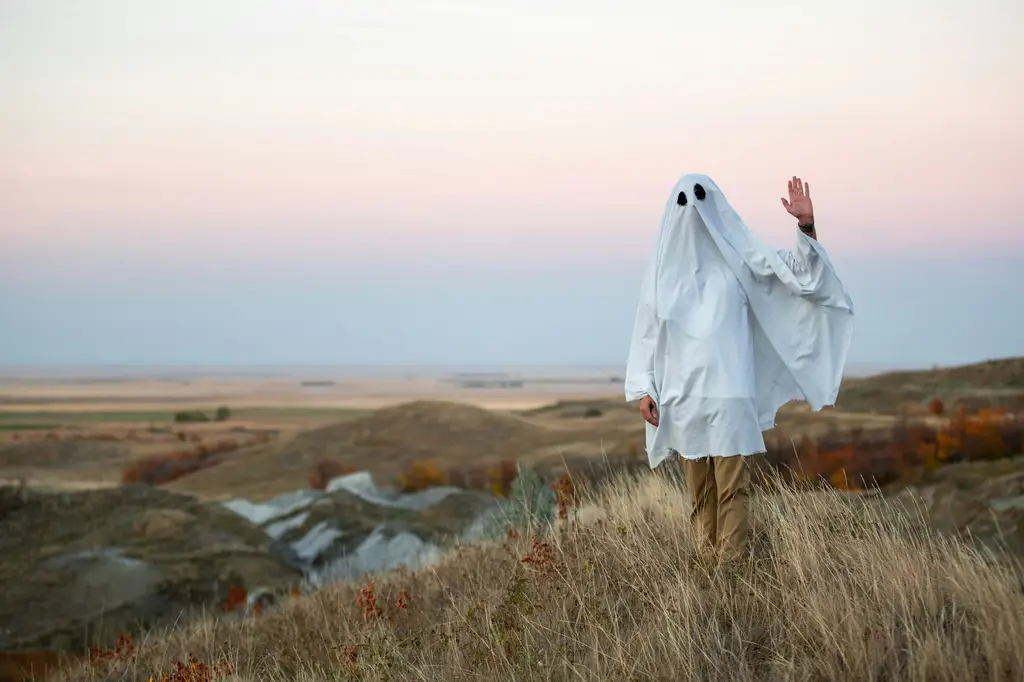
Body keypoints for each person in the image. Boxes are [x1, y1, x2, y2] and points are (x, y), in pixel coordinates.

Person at [624, 174, 855, 564]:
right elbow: (647, 332)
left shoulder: (741, 264)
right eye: (683, 201)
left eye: (700, 198)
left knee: (732, 489)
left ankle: (730, 578)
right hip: (683, 399)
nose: (692, 209)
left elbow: (800, 276)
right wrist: (645, 387)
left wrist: (806, 225)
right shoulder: (664, 277)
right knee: (700, 496)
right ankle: (704, 576)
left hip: (730, 396)